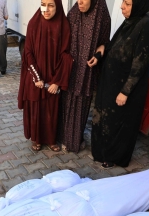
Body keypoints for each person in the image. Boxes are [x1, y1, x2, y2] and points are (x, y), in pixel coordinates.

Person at [90, 0, 149, 169]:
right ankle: (101, 152)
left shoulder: (146, 25)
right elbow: (114, 46)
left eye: (127, 3)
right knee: (105, 118)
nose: (121, 7)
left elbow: (140, 62)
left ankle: (114, 157)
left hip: (125, 87)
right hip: (111, 83)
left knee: (118, 123)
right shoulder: (130, 22)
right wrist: (100, 53)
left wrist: (125, 92)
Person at [17, 0, 73, 152]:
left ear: (58, 6)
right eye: (43, 4)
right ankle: (37, 139)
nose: (46, 9)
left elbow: (66, 56)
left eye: (51, 5)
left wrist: (57, 82)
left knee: (51, 110)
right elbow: (27, 52)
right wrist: (36, 77)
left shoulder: (64, 25)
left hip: (54, 78)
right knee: (36, 109)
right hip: (35, 76)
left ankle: (50, 139)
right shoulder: (34, 23)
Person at [57, 0, 110, 153]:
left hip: (86, 72)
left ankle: (73, 141)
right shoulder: (73, 13)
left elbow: (105, 43)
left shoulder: (102, 16)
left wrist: (98, 55)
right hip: (70, 69)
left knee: (80, 106)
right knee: (65, 103)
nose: (79, 1)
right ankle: (62, 137)